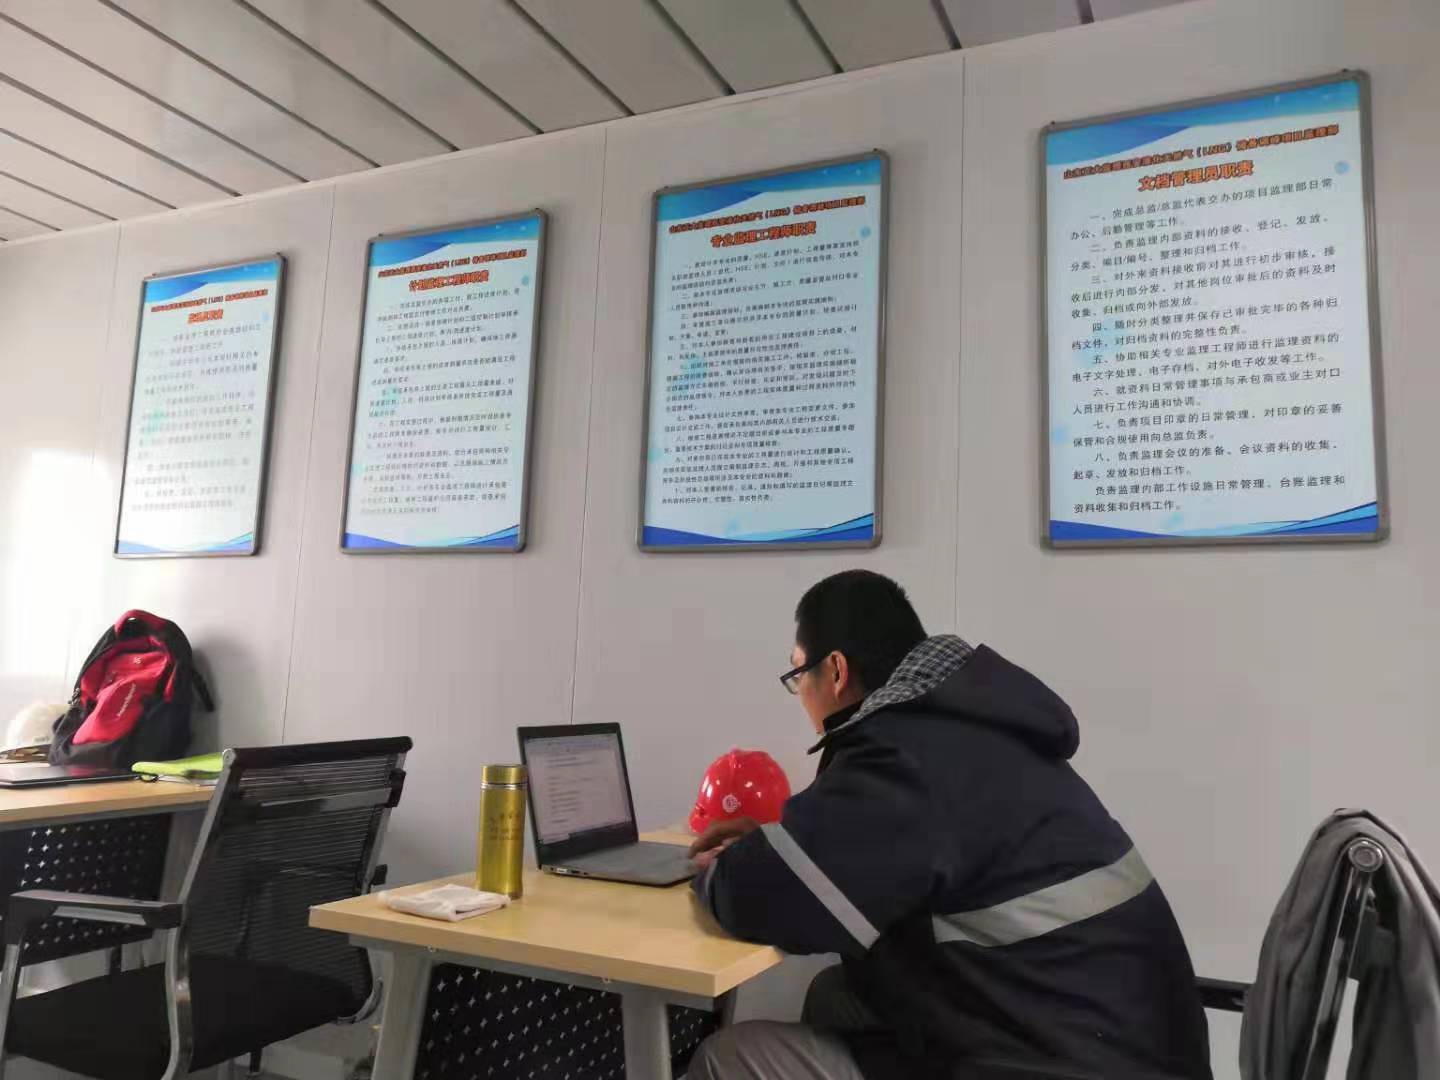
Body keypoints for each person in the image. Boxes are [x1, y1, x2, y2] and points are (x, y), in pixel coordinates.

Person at [687, 569, 1212, 1080]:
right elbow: (856, 857)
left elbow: (771, 899)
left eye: (798, 675)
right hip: (1113, 1039)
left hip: (1050, 1057)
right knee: (836, 995)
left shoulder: (903, 754)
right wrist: (778, 848)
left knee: (726, 1058)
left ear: (837, 671)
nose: (800, 692)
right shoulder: (970, 727)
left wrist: (714, 871)